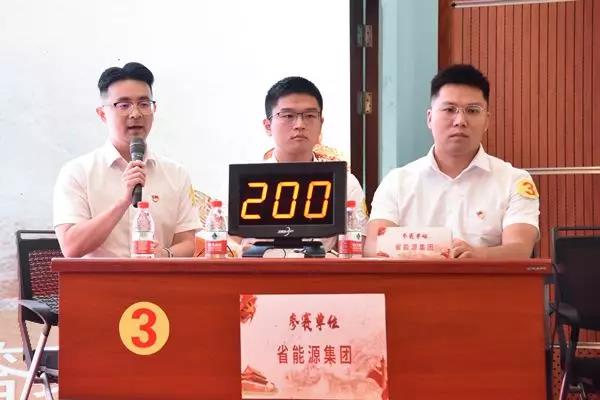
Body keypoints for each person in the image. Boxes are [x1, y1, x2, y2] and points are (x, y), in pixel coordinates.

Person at [365, 64, 539, 258]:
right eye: (449, 109)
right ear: (430, 118)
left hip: (485, 278)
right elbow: (373, 246)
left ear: (487, 121)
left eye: (472, 110)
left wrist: (476, 256)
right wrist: (432, 255)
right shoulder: (397, 182)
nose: (460, 121)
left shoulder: (513, 181)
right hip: (414, 278)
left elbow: (520, 249)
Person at [53, 62, 200, 258]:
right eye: (124, 105)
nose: (136, 113)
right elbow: (71, 247)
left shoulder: (176, 174)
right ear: (102, 114)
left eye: (144, 104)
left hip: (157, 278)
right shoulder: (77, 172)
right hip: (100, 279)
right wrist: (123, 202)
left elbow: (187, 243)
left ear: (154, 109)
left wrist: (164, 254)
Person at [243, 76, 368, 253]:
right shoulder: (243, 182)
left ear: (321, 123)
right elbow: (225, 241)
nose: (300, 125)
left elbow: (358, 249)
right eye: (288, 115)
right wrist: (237, 249)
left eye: (309, 115)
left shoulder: (346, 184)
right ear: (268, 126)